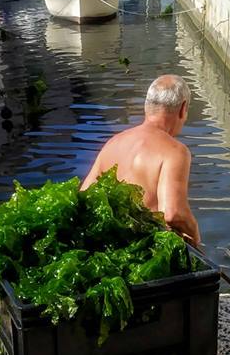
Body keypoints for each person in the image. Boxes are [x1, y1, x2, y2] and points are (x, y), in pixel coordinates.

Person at [81, 74, 201, 246]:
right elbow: (173, 214)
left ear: (147, 106)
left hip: (109, 245)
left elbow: (84, 194)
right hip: (146, 246)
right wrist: (195, 236)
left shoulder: (113, 143)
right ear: (182, 109)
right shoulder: (175, 151)